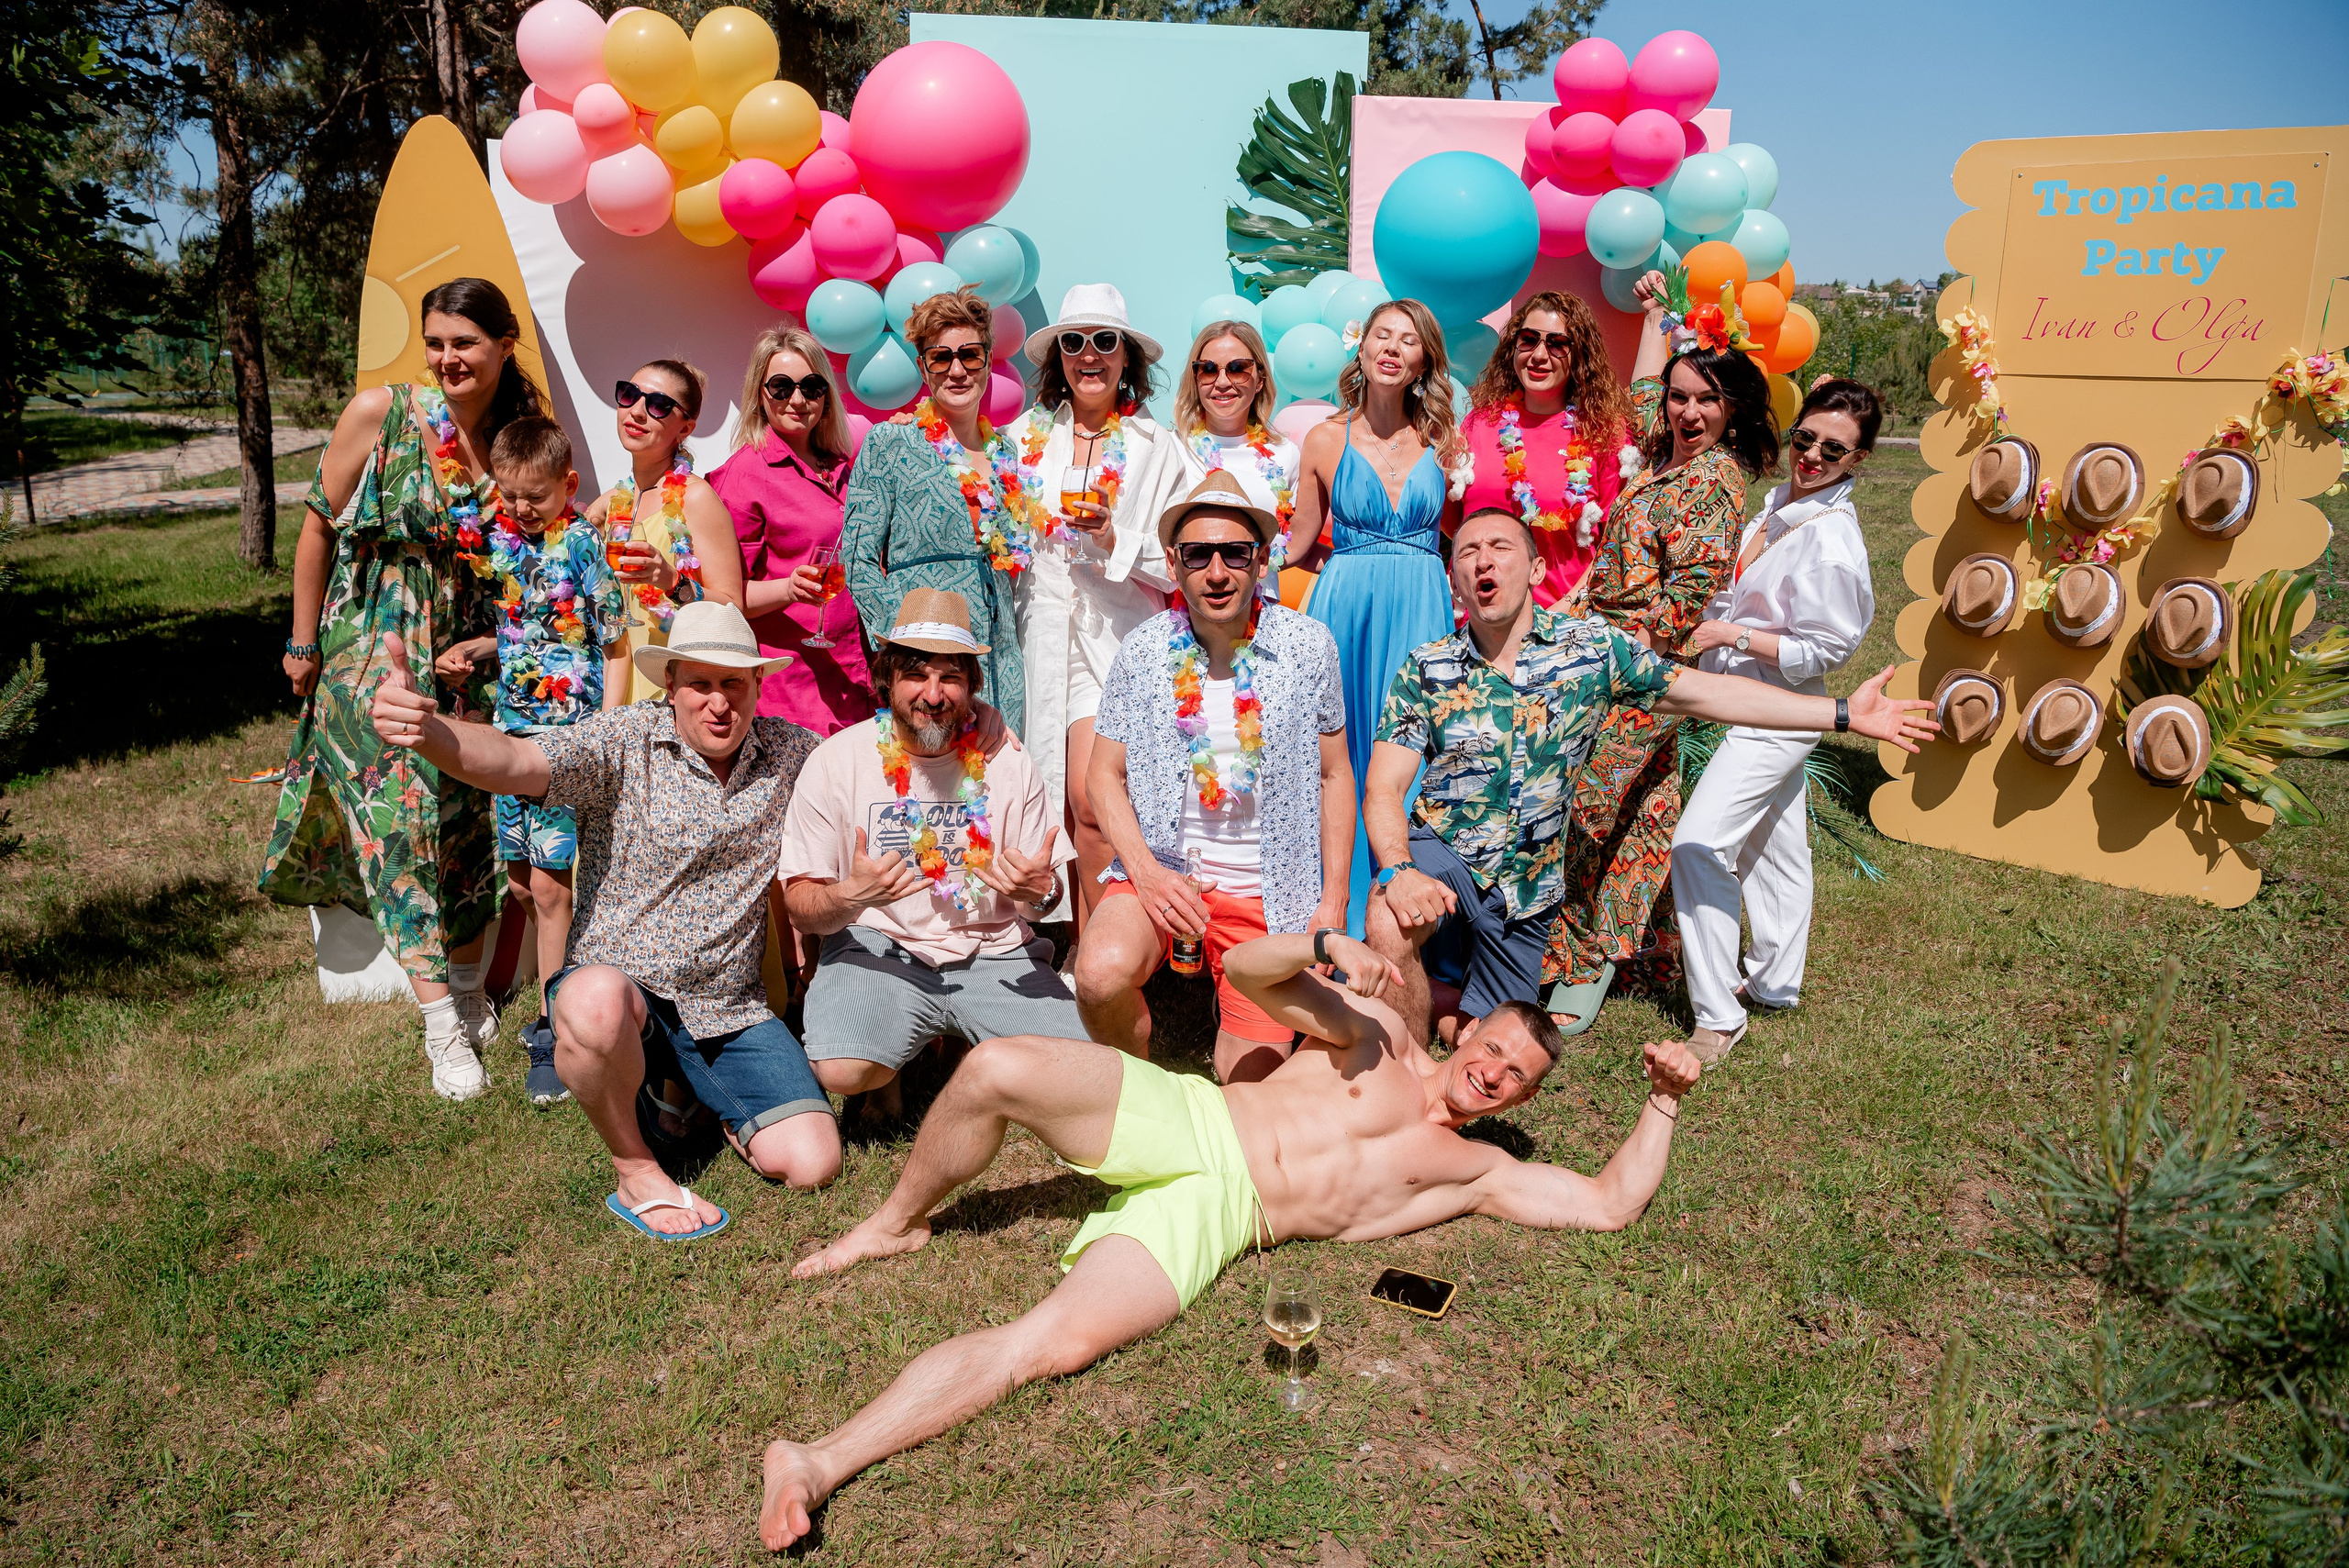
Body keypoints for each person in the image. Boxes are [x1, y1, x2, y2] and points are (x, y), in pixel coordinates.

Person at [757, 931, 1703, 1551]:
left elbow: (1610, 1201)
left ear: (1525, 1098)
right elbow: (1249, 972)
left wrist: (1663, 1096)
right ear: (1467, 1032)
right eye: (1492, 1048)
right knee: (996, 1063)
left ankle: (817, 1458)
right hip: (1193, 1115)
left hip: (1226, 1215)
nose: (1493, 1073)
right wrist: (1328, 944)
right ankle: (891, 1223)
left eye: (1516, 1076)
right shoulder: (1370, 1032)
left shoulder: (1477, 1171)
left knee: (1051, 1343)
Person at [1363, 506, 1928, 1047]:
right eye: (1468, 553)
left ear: (1535, 569)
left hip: (1527, 885)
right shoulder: (1427, 666)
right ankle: (1400, 1090)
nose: (1483, 561)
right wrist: (1399, 867)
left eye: (1500, 547)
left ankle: (1441, 1009)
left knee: (1493, 1042)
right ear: (1456, 582)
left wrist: (1844, 714)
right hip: (1446, 850)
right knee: (1388, 913)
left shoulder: (1592, 652)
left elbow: (1710, 693)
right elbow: (1383, 785)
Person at [369, 599, 840, 1238]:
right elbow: (513, 760)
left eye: (733, 682)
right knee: (593, 1001)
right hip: (624, 994)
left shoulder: (791, 753)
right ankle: (634, 1165)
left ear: (758, 683)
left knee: (813, 1161)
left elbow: (868, 771)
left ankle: (691, 1101)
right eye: (699, 683)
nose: (718, 702)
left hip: (729, 1006)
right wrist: (430, 733)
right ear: (669, 684)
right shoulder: (622, 739)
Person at [260, 276, 537, 1101]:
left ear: (503, 347)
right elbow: (316, 526)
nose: (450, 358)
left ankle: (464, 984)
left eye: (467, 342)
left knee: (469, 822)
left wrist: (496, 643)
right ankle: (441, 1028)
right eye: (438, 342)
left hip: (468, 652)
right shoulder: (380, 413)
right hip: (369, 644)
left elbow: (534, 549)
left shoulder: (522, 436)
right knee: (399, 824)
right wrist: (302, 640)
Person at [1541, 272, 1781, 1035]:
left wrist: (1610, 663)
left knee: (1583, 807)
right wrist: (1656, 315)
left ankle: (1576, 959)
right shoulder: (1663, 451)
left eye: (1706, 400)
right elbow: (1643, 389)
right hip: (1600, 647)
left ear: (1733, 409)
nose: (1687, 410)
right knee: (1645, 809)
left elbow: (1683, 602)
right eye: (1683, 397)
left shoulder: (1714, 485)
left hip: (1639, 669)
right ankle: (1642, 949)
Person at [1074, 472, 1353, 1084]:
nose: (1218, 571)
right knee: (1096, 975)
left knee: (1245, 1083)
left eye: (1235, 552)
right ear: (1174, 563)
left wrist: (1331, 901)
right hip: (1168, 876)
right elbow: (1101, 777)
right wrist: (1147, 874)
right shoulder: (1143, 651)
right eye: (1199, 554)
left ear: (1261, 560)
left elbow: (1336, 775)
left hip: (1268, 895)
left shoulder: (1309, 647)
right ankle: (1141, 1086)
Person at [777, 590, 1081, 1106]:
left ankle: (965, 1043)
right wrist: (851, 897)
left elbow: (1045, 900)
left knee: (1080, 1070)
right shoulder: (836, 761)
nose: (933, 694)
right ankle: (900, 1054)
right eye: (917, 673)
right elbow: (802, 908)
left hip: (995, 951)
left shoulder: (1005, 758)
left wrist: (1043, 890)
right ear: (887, 679)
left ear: (972, 689)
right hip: (879, 949)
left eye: (951, 677)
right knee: (842, 1072)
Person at [1671, 378, 1881, 1062]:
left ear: (1860, 460)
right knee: (1777, 842)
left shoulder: (1831, 541)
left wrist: (1731, 637)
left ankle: (1717, 1013)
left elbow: (1824, 649)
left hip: (1780, 707)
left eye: (1834, 449)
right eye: (1806, 438)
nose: (1814, 455)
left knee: (1698, 845)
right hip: (1740, 696)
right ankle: (1776, 980)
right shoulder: (1781, 503)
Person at [429, 417, 630, 1106]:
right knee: (520, 886)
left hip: (566, 738)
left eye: (534, 497)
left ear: (569, 485)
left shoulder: (581, 543)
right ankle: (557, 996)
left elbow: (615, 643)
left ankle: (554, 1029)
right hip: (512, 732)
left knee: (550, 890)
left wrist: (606, 735)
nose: (519, 509)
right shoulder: (512, 546)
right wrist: (480, 651)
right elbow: (528, 627)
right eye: (509, 496)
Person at [1289, 298, 1464, 936]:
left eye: (1408, 340)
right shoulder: (1324, 438)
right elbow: (1299, 542)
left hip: (1422, 602)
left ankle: (1416, 914)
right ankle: (1339, 905)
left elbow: (1467, 536)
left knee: (1419, 752)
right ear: (1360, 351)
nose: (1392, 347)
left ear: (1424, 361)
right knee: (1341, 752)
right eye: (1380, 336)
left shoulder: (1444, 442)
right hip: (1345, 608)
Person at [1003, 284, 1174, 922]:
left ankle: (1104, 949)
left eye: (1105, 341)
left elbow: (1178, 561)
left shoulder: (1160, 449)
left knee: (1092, 799)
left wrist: (1112, 537)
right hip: (1039, 638)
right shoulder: (1021, 442)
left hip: (1121, 639)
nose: (1089, 355)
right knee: (1041, 800)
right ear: (1059, 358)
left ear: (1127, 356)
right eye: (1074, 342)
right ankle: (1052, 936)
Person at [842, 284, 1031, 740]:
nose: (957, 370)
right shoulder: (892, 443)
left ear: (987, 359)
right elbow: (858, 559)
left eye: (970, 354)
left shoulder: (1005, 452)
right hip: (928, 660)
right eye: (940, 357)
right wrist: (903, 644)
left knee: (996, 783)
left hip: (1000, 654)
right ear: (924, 367)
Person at [711, 324, 872, 735]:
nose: (797, 400)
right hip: (795, 689)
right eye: (781, 387)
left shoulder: (843, 465)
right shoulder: (743, 476)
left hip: (858, 678)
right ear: (759, 393)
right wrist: (789, 587)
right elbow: (724, 598)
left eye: (811, 387)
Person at [1458, 291, 1639, 608]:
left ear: (1580, 354)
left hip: (1562, 620)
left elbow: (1616, 539)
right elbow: (1453, 520)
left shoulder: (1605, 433)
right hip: (1478, 616)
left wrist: (1567, 606)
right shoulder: (1479, 423)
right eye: (1528, 339)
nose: (1539, 355)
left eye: (1557, 344)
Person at [584, 358, 747, 704]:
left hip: (670, 688)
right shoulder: (615, 501)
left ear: (685, 428)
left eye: (658, 405)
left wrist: (672, 580)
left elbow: (733, 606)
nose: (638, 412)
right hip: (613, 685)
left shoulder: (696, 497)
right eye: (629, 395)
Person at [1127, 318, 1302, 604]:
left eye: (1237, 369)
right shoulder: (1170, 448)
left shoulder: (1286, 454)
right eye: (1207, 370)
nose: (1222, 382)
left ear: (1259, 379)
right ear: (1195, 380)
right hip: (1188, 622)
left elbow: (1289, 544)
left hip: (1262, 613)